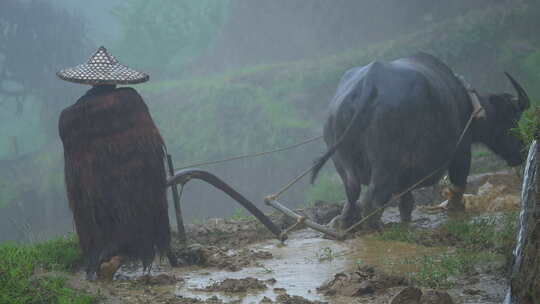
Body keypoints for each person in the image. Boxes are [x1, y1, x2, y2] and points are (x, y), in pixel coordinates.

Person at [57, 46, 171, 280]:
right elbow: (149, 142)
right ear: (115, 80)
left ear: (89, 82)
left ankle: (106, 258)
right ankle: (120, 256)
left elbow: (73, 163)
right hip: (135, 177)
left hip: (94, 186)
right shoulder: (130, 99)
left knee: (104, 222)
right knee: (139, 217)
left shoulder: (71, 116)